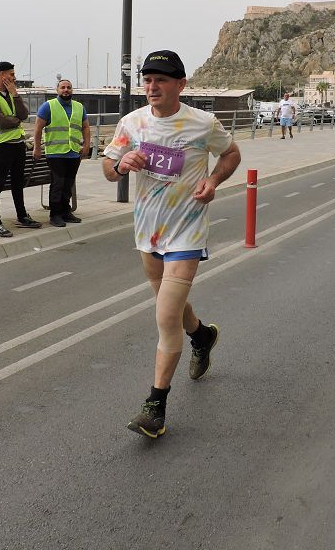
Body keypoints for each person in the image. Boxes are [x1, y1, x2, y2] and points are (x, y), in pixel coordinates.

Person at [102, 50, 242, 439]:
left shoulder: (202, 123)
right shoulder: (131, 123)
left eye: (161, 79)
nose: (152, 86)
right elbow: (108, 169)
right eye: (147, 79)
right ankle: (202, 335)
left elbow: (231, 153)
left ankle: (155, 407)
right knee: (174, 307)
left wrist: (213, 182)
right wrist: (121, 164)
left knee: (165, 317)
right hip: (148, 233)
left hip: (187, 232)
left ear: (180, 85)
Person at [0, 61, 42, 237]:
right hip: (1, 146)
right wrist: (16, 120)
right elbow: (2, 122)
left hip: (18, 145)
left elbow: (24, 115)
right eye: (11, 74)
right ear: (2, 75)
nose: (14, 77)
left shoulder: (10, 94)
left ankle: (22, 216)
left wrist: (15, 95)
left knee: (17, 182)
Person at [33, 79, 90, 227]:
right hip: (55, 153)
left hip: (73, 152)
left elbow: (85, 128)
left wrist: (87, 145)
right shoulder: (48, 106)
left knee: (68, 184)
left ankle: (66, 211)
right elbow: (38, 128)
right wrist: (37, 147)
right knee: (57, 184)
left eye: (69, 88)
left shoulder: (79, 107)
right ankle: (55, 214)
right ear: (57, 90)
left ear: (72, 90)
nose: (66, 90)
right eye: (63, 87)